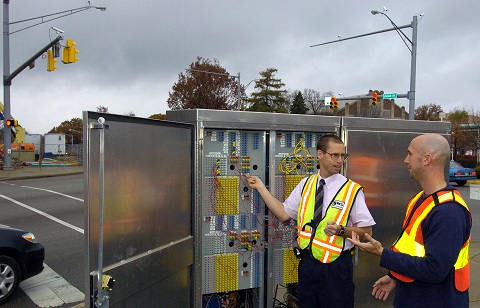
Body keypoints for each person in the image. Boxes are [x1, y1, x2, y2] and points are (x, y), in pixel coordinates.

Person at [245, 134, 375, 307]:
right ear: (320, 154)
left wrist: (341, 230)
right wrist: (261, 187)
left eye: (343, 156)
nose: (340, 160)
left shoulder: (352, 190)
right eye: (334, 155)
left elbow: (367, 232)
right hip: (308, 265)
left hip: (336, 269)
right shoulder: (306, 184)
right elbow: (284, 213)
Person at [348, 133, 472, 307]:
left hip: (437, 301)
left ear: (427, 159)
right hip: (415, 296)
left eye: (410, 154)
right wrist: (395, 276)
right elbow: (414, 250)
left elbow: (435, 270)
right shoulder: (421, 199)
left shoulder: (449, 212)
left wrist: (382, 253)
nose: (406, 160)